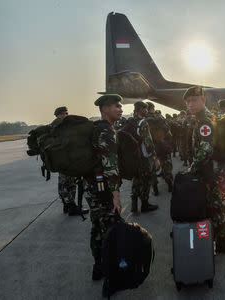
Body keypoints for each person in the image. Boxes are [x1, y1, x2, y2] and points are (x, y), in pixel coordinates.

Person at [184, 86, 225, 253]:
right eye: (188, 101)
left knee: (217, 205)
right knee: (217, 205)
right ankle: (221, 236)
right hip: (213, 169)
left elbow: (205, 149)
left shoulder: (205, 120)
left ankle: (223, 241)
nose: (190, 104)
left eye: (194, 100)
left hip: (213, 171)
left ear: (203, 100)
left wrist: (191, 168)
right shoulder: (202, 118)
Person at [84, 94, 123, 282]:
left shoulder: (95, 129)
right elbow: (110, 164)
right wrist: (116, 194)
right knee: (108, 228)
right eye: (116, 106)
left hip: (91, 186)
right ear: (105, 109)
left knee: (97, 227)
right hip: (103, 188)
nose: (120, 109)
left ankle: (98, 267)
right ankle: (110, 275)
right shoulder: (107, 131)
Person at [53, 106, 89, 216]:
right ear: (59, 114)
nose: (66, 115)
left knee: (68, 183)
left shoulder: (55, 126)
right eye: (64, 113)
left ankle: (68, 205)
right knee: (67, 184)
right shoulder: (60, 125)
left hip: (64, 160)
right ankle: (72, 207)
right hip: (66, 160)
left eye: (66, 113)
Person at [129, 101, 159, 213]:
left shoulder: (130, 121)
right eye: (145, 108)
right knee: (146, 181)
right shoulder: (143, 122)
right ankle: (145, 205)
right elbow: (148, 142)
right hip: (144, 157)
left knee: (136, 180)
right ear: (140, 109)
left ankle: (134, 206)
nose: (146, 111)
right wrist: (155, 158)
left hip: (134, 156)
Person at [145, 102, 174, 193]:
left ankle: (155, 189)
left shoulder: (144, 120)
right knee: (167, 165)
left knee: (152, 168)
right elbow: (168, 133)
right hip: (163, 146)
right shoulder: (160, 118)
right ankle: (169, 184)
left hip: (151, 148)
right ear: (153, 108)